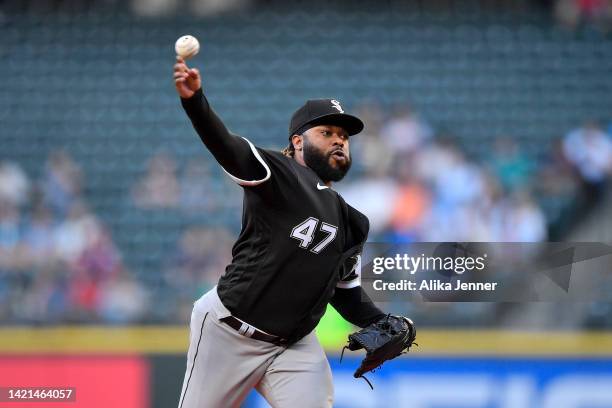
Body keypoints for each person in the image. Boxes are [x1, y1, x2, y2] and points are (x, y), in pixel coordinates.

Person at [173, 55, 409, 408]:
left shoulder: (354, 222)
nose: (339, 141)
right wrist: (195, 102)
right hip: (228, 332)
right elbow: (225, 144)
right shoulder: (276, 172)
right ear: (298, 142)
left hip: (294, 346)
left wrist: (383, 321)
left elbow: (345, 294)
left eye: (343, 136)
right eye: (326, 133)